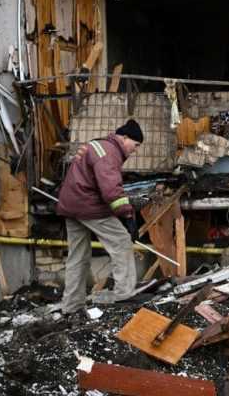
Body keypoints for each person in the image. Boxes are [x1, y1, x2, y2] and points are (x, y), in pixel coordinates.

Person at [56, 119, 143, 316]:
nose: (135, 150)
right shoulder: (108, 152)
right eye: (136, 145)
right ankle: (124, 295)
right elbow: (111, 191)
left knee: (77, 256)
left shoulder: (98, 146)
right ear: (125, 137)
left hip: (71, 206)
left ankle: (71, 306)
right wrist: (128, 215)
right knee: (121, 241)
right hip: (89, 206)